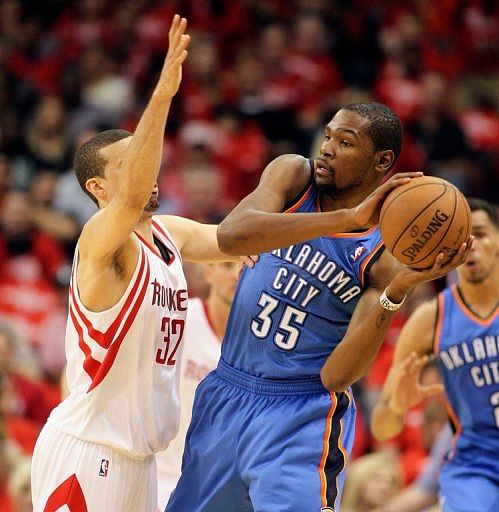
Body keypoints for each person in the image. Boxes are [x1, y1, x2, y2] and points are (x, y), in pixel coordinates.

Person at [166, 102, 472, 512]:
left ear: (381, 161)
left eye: (345, 142)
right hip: (227, 390)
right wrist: (344, 218)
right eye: (328, 135)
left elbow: (337, 375)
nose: (327, 147)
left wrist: (396, 290)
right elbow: (232, 235)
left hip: (301, 414)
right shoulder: (294, 176)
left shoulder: (383, 253)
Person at [30, 15, 240, 511]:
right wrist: (163, 97)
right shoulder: (101, 239)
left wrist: (342, 217)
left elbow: (238, 238)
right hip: (86, 455)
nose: (146, 171)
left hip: (142, 463)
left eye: (144, 159)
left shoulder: (171, 234)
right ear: (97, 188)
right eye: (128, 165)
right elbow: (126, 205)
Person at [371, 198, 498, 512]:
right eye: (459, 240)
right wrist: (398, 407)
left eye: (480, 234)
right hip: (475, 464)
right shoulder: (431, 318)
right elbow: (382, 427)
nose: (470, 247)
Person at [156, 261, 238, 509]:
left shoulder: (258, 342)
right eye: (226, 265)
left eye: (245, 268)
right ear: (208, 271)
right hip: (155, 474)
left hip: (210, 488)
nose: (236, 275)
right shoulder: (178, 319)